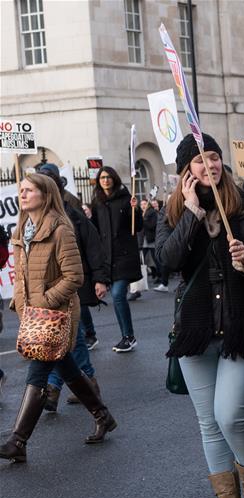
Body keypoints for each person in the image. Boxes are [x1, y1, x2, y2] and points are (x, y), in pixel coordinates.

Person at [156, 133, 244, 498]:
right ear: (185, 171)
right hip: (195, 328)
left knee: (230, 415)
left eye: (213, 157)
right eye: (199, 160)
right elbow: (166, 262)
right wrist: (191, 214)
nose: (208, 165)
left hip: (243, 323)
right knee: (208, 422)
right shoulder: (173, 211)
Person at [0, 174, 117, 464]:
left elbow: (74, 277)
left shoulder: (60, 229)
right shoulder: (22, 230)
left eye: (29, 190)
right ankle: (102, 415)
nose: (23, 195)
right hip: (33, 316)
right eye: (22, 190)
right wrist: (21, 305)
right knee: (66, 367)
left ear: (46, 194)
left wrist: (46, 302)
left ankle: (18, 441)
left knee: (37, 373)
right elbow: (22, 276)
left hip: (56, 315)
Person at [36, 168, 109, 412]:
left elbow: (92, 246)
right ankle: (82, 385)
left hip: (65, 290)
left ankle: (61, 387)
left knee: (70, 338)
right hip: (44, 292)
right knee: (60, 341)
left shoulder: (70, 216)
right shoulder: (34, 218)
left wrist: (100, 279)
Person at [90, 166, 142, 351]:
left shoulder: (126, 199)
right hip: (107, 258)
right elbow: (94, 230)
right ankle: (126, 336)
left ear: (114, 179)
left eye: (108, 177)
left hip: (124, 256)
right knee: (117, 298)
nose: (105, 180)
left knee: (118, 294)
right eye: (102, 177)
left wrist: (136, 210)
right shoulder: (97, 202)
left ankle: (129, 336)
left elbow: (138, 226)